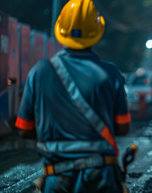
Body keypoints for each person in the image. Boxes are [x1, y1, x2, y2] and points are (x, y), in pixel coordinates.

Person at [15, 0, 130, 192]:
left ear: (60, 29)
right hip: (101, 177)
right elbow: (123, 127)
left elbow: (25, 129)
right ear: (97, 32)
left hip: (57, 178)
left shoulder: (39, 72)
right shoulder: (111, 74)